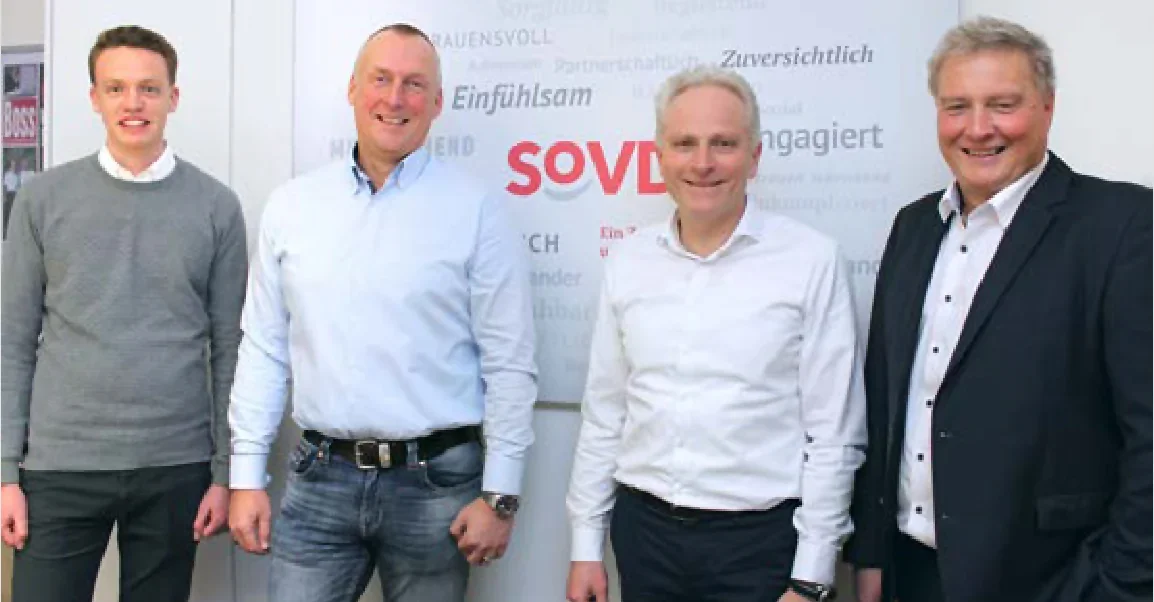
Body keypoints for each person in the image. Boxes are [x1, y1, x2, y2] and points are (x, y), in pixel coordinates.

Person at [227, 23, 537, 602]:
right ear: (352, 89)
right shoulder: (293, 206)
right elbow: (264, 347)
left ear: (437, 102)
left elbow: (509, 362)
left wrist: (501, 495)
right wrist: (245, 475)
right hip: (318, 479)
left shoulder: (476, 210)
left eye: (414, 84)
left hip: (437, 485)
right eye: (381, 79)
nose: (395, 98)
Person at [846, 16, 1152, 602]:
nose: (978, 128)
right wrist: (873, 554)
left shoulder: (1123, 226)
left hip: (1051, 580)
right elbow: (886, 404)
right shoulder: (913, 227)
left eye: (1002, 105)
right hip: (913, 574)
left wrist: (1117, 585)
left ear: (1047, 108)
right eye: (957, 106)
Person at [565, 65, 866, 602]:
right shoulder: (628, 260)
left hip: (760, 547)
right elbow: (605, 413)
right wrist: (585, 546)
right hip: (645, 537)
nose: (702, 163)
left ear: (754, 156)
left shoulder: (811, 260)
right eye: (685, 143)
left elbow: (834, 434)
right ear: (660, 155)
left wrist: (811, 576)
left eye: (723, 143)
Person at [0, 25, 247, 601]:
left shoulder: (216, 206)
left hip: (175, 465)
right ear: (94, 98)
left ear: (173, 97)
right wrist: (6, 471)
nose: (132, 103)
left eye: (148, 88)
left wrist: (223, 473)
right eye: (116, 88)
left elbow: (231, 350)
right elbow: (12, 341)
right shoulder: (41, 199)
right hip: (59, 466)